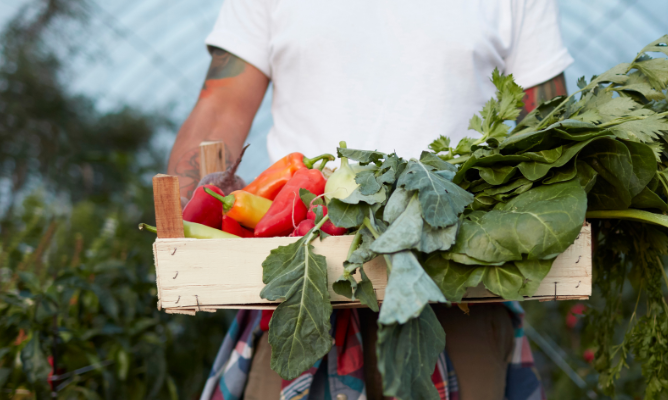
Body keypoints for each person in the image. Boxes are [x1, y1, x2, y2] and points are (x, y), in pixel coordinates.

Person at [168, 1, 573, 398]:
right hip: (299, 289)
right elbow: (221, 106)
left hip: (463, 293)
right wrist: (185, 218)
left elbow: (547, 127)